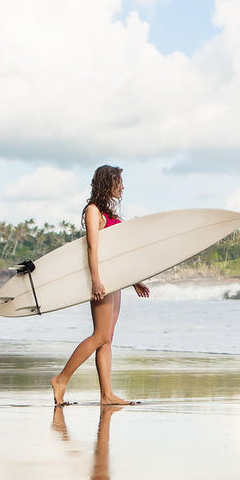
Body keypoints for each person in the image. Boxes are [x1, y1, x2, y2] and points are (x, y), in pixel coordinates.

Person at [50, 165, 149, 406]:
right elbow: (92, 247)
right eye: (119, 182)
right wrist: (95, 279)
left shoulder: (109, 213)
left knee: (107, 338)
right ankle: (61, 379)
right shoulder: (93, 211)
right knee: (100, 335)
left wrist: (134, 279)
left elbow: (116, 252)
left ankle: (106, 395)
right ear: (108, 183)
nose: (123, 187)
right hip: (102, 280)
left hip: (115, 280)